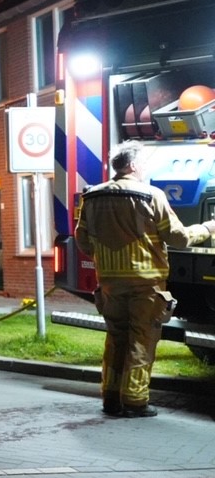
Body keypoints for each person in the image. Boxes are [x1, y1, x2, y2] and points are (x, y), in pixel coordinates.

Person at [74, 140, 215, 417]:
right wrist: (209, 228)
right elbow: (180, 238)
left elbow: (83, 241)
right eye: (144, 165)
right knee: (142, 340)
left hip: (110, 284)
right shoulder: (150, 196)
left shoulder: (91, 197)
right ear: (135, 165)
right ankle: (135, 402)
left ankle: (111, 398)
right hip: (145, 284)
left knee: (116, 339)